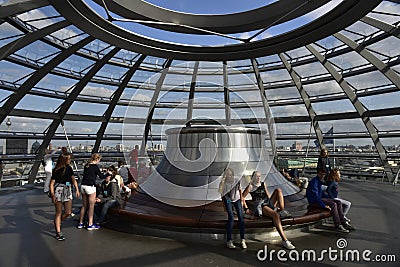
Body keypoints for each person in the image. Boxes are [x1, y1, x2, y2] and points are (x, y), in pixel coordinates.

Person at [243, 171, 295, 250]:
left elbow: (267, 195)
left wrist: (272, 204)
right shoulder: (250, 186)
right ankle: (285, 240)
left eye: (259, 176)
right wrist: (246, 208)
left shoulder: (263, 184)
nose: (258, 178)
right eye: (256, 177)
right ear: (253, 177)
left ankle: (281, 209)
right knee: (275, 215)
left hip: (267, 202)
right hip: (261, 206)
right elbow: (242, 197)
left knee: (278, 190)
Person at [306, 168, 355, 233]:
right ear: (317, 174)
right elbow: (316, 196)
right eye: (321, 174)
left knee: (338, 202)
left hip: (318, 199)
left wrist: (329, 198)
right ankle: (338, 224)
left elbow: (321, 193)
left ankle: (343, 221)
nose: (322, 176)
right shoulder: (314, 182)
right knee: (333, 204)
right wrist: (324, 206)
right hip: (314, 201)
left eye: (323, 175)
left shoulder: (318, 181)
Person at [49, 153, 80, 241]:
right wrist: (53, 194)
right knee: (58, 212)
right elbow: (51, 184)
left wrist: (77, 189)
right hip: (59, 190)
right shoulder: (57, 170)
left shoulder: (69, 168)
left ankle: (57, 222)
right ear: (65, 159)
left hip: (67, 189)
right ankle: (58, 232)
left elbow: (73, 179)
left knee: (68, 212)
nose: (70, 160)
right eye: (69, 159)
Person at [77, 153, 110, 230]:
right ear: (97, 159)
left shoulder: (86, 165)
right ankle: (90, 224)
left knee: (84, 206)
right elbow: (101, 176)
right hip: (90, 187)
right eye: (99, 160)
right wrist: (108, 174)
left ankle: (80, 223)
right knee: (91, 206)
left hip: (83, 186)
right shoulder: (95, 167)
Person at [218, 168, 247, 249]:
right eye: (227, 175)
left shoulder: (237, 180)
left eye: (230, 175)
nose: (229, 176)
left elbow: (240, 190)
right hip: (228, 200)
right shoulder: (223, 183)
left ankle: (242, 239)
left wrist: (242, 201)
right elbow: (222, 195)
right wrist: (225, 206)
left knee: (241, 217)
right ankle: (229, 240)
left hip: (237, 199)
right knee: (231, 218)